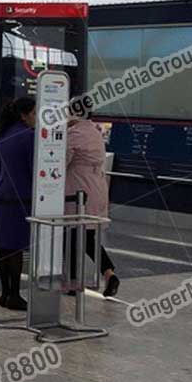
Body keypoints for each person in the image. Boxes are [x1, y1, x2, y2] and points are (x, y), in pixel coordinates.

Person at [66, 114, 120, 297]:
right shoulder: (95, 131)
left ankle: (73, 282)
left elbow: (61, 162)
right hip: (96, 188)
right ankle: (108, 272)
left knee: (73, 236)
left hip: (79, 190)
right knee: (88, 238)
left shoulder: (74, 134)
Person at [0, 97, 35, 311]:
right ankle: (15, 295)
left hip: (1, 194)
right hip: (20, 196)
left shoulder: (3, 134)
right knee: (16, 246)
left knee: (5, 246)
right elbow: (33, 169)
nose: (37, 118)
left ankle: (5, 293)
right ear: (23, 115)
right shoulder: (28, 136)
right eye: (34, 113)